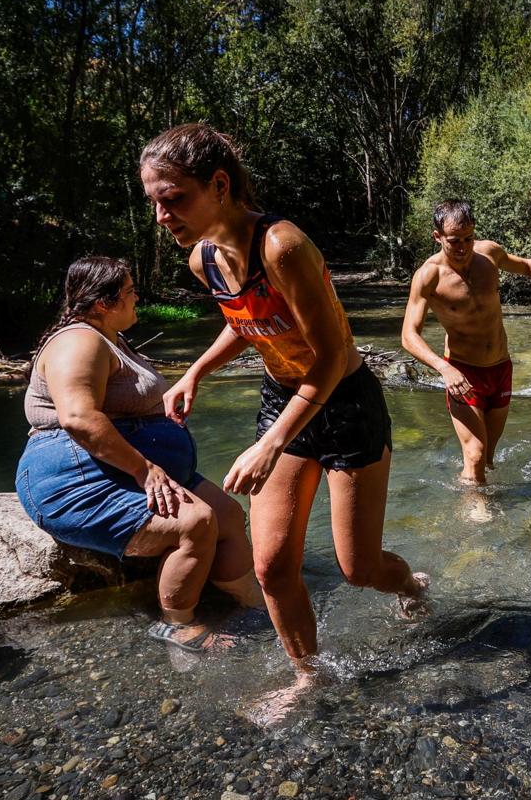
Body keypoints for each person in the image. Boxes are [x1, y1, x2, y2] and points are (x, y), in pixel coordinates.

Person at [137, 123, 428, 680]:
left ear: (219, 185)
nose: (161, 217)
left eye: (173, 199)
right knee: (271, 565)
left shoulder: (282, 247)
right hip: (282, 399)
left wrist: (271, 444)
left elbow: (333, 356)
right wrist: (196, 370)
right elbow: (246, 322)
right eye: (154, 202)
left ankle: (411, 584)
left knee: (358, 568)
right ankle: (307, 675)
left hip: (344, 403)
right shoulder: (203, 259)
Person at [15, 256, 264, 653]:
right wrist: (146, 469)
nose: (136, 299)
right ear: (102, 302)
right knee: (195, 523)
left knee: (229, 514)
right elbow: (78, 418)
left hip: (117, 465)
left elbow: (120, 403)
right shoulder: (77, 341)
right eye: (130, 292)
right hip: (76, 476)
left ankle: (249, 601)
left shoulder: (110, 339)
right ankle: (177, 625)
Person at [401, 199, 531, 485]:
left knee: (488, 458)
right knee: (475, 454)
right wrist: (444, 369)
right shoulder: (428, 276)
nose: (463, 247)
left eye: (469, 238)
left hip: (500, 369)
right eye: (454, 241)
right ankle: (477, 518)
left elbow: (528, 266)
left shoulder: (489, 254)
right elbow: (409, 335)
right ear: (438, 237)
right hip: (462, 373)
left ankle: (481, 493)